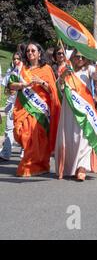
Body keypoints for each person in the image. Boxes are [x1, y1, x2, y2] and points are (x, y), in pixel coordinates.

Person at [7, 42, 61, 176]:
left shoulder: (46, 68)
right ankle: (39, 164)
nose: (30, 53)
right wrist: (23, 84)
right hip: (23, 106)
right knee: (20, 133)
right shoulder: (21, 68)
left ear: (39, 53)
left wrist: (41, 82)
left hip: (40, 110)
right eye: (28, 51)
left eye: (33, 51)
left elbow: (52, 90)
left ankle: (30, 166)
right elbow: (10, 85)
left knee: (35, 137)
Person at [54, 51, 97, 181]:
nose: (80, 59)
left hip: (85, 109)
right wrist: (63, 76)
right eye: (77, 56)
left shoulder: (89, 69)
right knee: (71, 137)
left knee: (85, 137)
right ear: (73, 57)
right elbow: (58, 86)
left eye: (83, 56)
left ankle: (82, 167)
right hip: (69, 109)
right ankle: (70, 166)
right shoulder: (66, 69)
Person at [0, 52, 23, 161]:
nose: (15, 61)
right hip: (10, 103)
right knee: (8, 129)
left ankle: (24, 151)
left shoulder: (25, 72)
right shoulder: (10, 71)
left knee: (22, 130)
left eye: (18, 59)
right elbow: (5, 88)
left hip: (22, 105)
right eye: (14, 59)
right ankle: (6, 153)